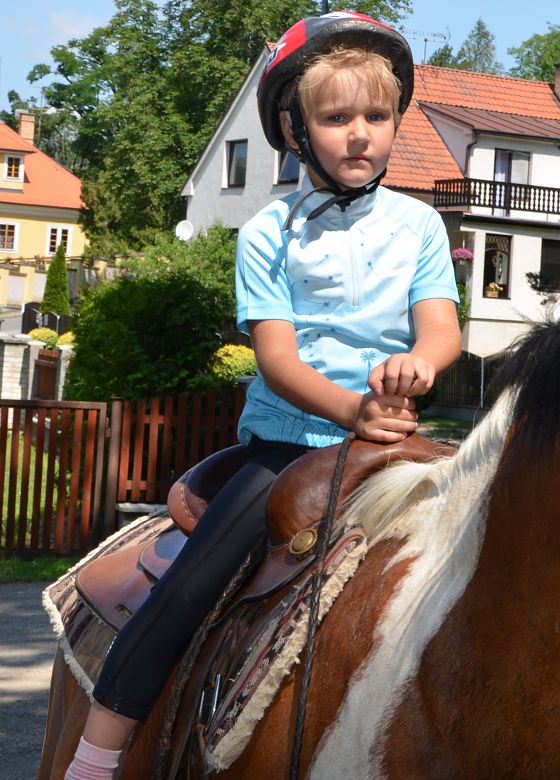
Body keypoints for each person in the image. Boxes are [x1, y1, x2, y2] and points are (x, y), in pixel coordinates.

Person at [63, 11, 462, 779]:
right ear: (294, 128)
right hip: (290, 448)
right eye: (336, 118)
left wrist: (419, 364)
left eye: (377, 117)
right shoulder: (268, 232)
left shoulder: (420, 225)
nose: (359, 134)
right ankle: (96, 756)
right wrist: (354, 411)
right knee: (190, 590)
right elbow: (277, 361)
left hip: (397, 443)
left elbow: (442, 328)